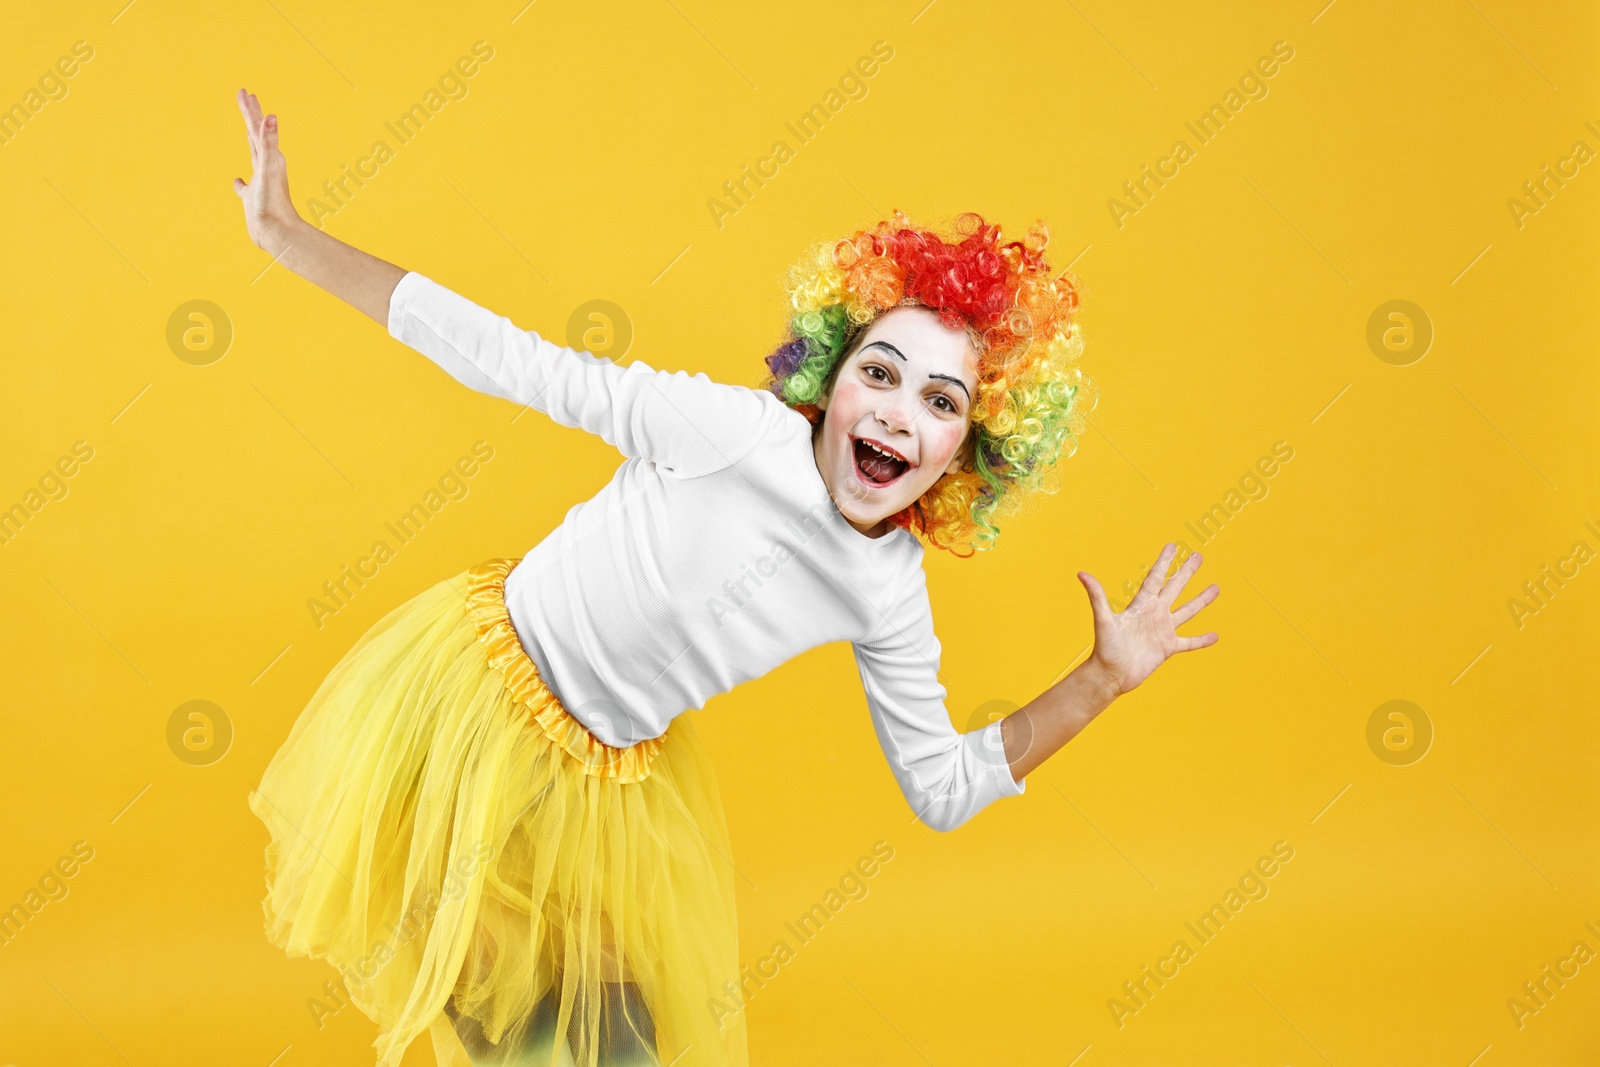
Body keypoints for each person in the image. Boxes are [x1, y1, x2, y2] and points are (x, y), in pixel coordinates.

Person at [232, 88, 1220, 1067]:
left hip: (599, 786)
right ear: (830, 377)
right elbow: (517, 363)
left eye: (939, 400)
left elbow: (941, 786)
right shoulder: (730, 432)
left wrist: (1101, 679)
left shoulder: (887, 590)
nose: (893, 413)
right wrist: (287, 237)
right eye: (876, 373)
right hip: (462, 719)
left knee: (615, 1042)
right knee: (502, 1006)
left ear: (970, 447)